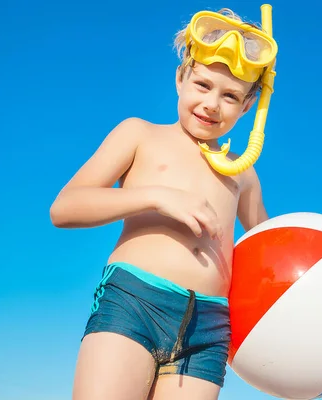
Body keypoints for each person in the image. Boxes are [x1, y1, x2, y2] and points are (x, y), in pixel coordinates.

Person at [50, 7, 278, 400]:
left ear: (247, 106)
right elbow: (65, 208)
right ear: (180, 78)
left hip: (207, 327)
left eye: (230, 96)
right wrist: (157, 196)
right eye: (203, 85)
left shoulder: (243, 175)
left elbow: (269, 252)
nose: (212, 104)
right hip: (134, 301)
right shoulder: (139, 134)